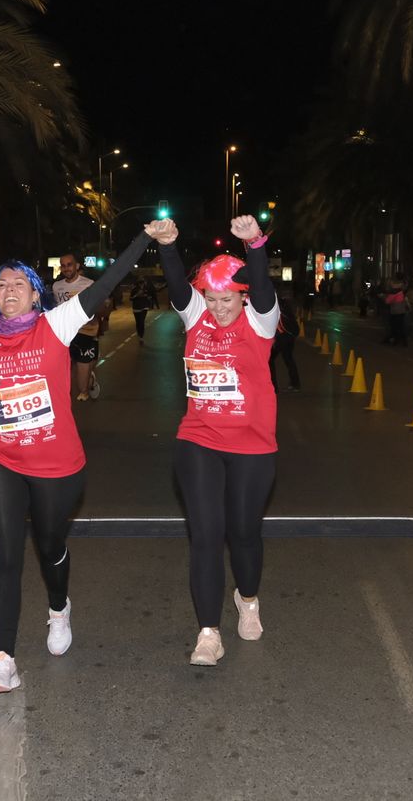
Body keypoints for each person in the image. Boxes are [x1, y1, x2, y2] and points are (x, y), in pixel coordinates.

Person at [0, 232, 156, 693]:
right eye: (0, 285)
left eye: (17, 284)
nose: (7, 290)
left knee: (49, 547)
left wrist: (144, 239)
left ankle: (58, 606)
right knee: (6, 555)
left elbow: (106, 283)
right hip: (0, 457)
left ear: (34, 293)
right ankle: (3, 660)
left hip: (57, 463)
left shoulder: (58, 324)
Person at [154, 215, 280, 667]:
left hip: (252, 444)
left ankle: (248, 598)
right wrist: (169, 246)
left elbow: (263, 288)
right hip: (199, 438)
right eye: (211, 298)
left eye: (226, 298)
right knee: (206, 535)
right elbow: (175, 286)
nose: (218, 307)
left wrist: (255, 247)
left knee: (243, 533)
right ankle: (208, 631)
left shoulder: (261, 321)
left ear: (241, 296)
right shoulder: (196, 316)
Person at [53, 253, 103, 401]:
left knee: (84, 376)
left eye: (69, 265)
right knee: (68, 365)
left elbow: (98, 306)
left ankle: (87, 384)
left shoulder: (89, 284)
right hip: (65, 332)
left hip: (86, 331)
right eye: (63, 265)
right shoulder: (57, 286)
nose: (66, 268)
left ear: (77, 266)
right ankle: (71, 389)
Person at [271, 289, 302, 391]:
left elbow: (275, 324)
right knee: (289, 359)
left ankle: (274, 387)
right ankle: (295, 384)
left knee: (269, 360)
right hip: (290, 335)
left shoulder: (273, 305)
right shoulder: (283, 303)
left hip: (281, 336)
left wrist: (274, 340)